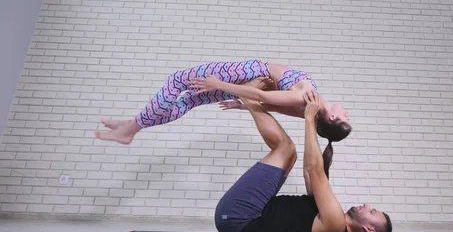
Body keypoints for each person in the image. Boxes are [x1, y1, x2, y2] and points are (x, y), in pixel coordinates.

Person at [214, 90, 392, 232]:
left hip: (239, 218)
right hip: (244, 214)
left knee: (285, 149)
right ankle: (250, 99)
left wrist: (308, 118)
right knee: (289, 153)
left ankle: (250, 96)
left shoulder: (336, 227)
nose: (368, 205)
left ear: (369, 229)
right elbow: (309, 171)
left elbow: (315, 169)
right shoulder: (330, 212)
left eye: (372, 211)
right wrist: (315, 120)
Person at [94, 59, 351, 145]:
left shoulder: (307, 99)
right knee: (190, 101)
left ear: (332, 118)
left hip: (247, 73)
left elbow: (263, 97)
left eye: (345, 118)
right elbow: (273, 105)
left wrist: (219, 85)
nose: (347, 112)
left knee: (179, 80)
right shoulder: (310, 109)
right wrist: (241, 103)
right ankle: (134, 125)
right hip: (246, 82)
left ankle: (131, 129)